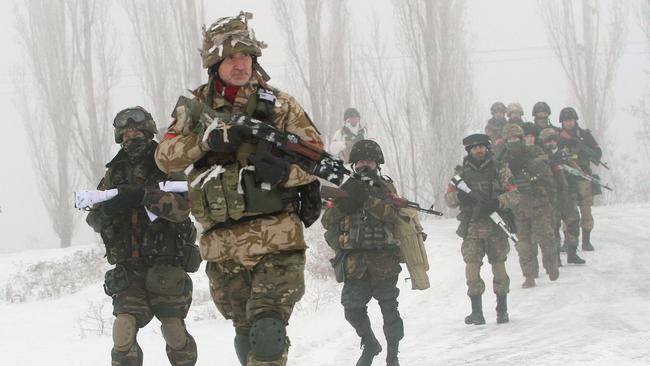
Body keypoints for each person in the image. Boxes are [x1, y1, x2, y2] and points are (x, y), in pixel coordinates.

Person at [154, 12, 323, 366]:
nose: (239, 63)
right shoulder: (194, 109)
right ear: (215, 63)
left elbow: (316, 158)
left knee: (267, 333)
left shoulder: (279, 105)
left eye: (246, 55)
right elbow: (165, 158)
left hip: (276, 238)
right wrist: (203, 141)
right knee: (245, 333)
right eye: (230, 57)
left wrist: (283, 174)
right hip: (222, 246)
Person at [86, 106, 199, 366]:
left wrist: (144, 196)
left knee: (173, 330)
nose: (131, 137)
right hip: (129, 266)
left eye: (136, 131)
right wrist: (109, 210)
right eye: (125, 134)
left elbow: (182, 207)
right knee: (123, 330)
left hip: (166, 264)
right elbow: (93, 217)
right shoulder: (114, 172)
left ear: (148, 131)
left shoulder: (166, 165)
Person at [322, 140, 406, 366]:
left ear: (377, 163)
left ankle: (392, 357)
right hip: (354, 262)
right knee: (352, 310)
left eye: (368, 161)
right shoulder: (344, 187)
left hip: (383, 260)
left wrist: (367, 199)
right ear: (354, 164)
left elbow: (393, 215)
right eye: (360, 161)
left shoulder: (386, 188)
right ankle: (370, 343)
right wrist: (344, 203)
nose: (364, 165)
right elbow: (327, 220)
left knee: (390, 311)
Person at [445, 133, 519, 324]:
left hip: (496, 225)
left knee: (499, 265)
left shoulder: (500, 169)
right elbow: (449, 199)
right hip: (472, 226)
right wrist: (462, 197)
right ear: (469, 150)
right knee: (471, 266)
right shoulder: (460, 175)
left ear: (487, 148)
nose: (478, 150)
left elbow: (514, 195)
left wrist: (497, 202)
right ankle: (476, 312)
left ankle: (502, 309)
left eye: (481, 147)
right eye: (474, 147)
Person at [498, 124, 559, 288]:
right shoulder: (502, 161)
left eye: (515, 138)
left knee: (546, 239)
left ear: (521, 138)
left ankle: (551, 265)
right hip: (518, 209)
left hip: (539, 204)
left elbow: (547, 177)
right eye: (509, 139)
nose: (513, 142)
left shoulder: (533, 153)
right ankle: (529, 276)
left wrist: (551, 201)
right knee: (524, 245)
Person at [557, 107, 601, 251]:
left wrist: (585, 152)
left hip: (583, 175)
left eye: (570, 120)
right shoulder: (558, 136)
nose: (568, 123)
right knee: (568, 210)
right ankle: (568, 241)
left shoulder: (584, 135)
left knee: (585, 209)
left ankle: (586, 240)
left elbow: (597, 152)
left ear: (575, 120)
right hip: (565, 177)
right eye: (565, 121)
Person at [539, 128, 585, 265]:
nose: (551, 143)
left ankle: (572, 253)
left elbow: (578, 172)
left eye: (553, 140)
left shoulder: (563, 154)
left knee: (573, 224)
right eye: (548, 141)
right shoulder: (539, 157)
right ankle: (555, 258)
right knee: (552, 228)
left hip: (567, 195)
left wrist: (567, 164)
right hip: (550, 198)